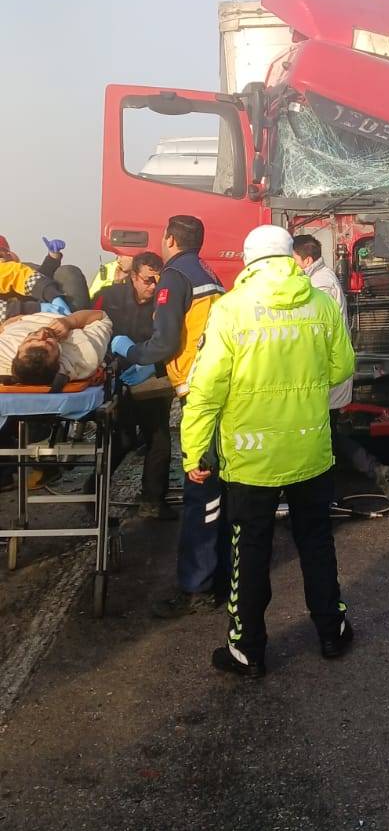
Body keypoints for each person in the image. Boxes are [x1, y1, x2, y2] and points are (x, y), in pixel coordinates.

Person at [182, 224, 356, 677]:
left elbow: (204, 390)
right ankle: (331, 632)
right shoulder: (319, 304)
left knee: (251, 550)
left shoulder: (229, 310)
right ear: (288, 256)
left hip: (251, 456)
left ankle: (248, 649)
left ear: (248, 260)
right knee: (316, 542)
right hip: (309, 447)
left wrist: (196, 451)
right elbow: (343, 367)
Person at [111, 215, 226, 617]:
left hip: (197, 391)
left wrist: (132, 352)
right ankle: (218, 575)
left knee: (199, 485)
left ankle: (197, 587)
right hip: (217, 383)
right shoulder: (209, 273)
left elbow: (164, 342)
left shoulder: (175, 276)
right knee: (217, 485)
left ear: (170, 239)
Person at [292, 233, 389, 502]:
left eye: (293, 259)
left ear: (306, 259)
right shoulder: (319, 279)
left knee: (323, 435)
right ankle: (371, 471)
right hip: (328, 372)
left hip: (326, 373)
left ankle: (355, 479)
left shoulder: (320, 284)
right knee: (329, 434)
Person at [96, 252, 173, 521]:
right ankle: (93, 490)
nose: (152, 286)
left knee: (159, 439)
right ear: (133, 276)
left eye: (157, 280)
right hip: (114, 376)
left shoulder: (166, 302)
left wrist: (156, 366)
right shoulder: (110, 297)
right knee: (122, 439)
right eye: (147, 280)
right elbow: (92, 329)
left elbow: (173, 340)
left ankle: (152, 501)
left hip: (150, 377)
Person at [0, 309, 112, 386]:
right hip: (67, 311)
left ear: (18, 349)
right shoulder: (84, 354)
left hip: (16, 315)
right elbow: (102, 317)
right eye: (49, 342)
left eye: (32, 339)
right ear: (59, 358)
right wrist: (71, 321)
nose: (42, 333)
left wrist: (5, 326)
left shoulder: (4, 350)